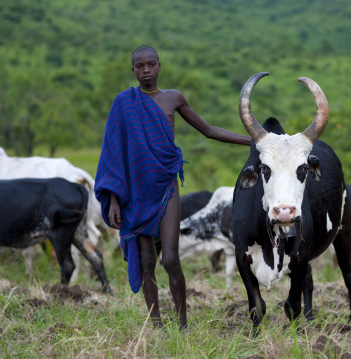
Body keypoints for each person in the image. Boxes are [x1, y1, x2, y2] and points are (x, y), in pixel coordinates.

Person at [94, 45, 250, 330]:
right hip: (135, 192)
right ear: (133, 71)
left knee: (170, 257)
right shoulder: (123, 103)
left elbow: (209, 130)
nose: (145, 71)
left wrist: (252, 141)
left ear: (159, 66)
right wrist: (114, 199)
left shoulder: (173, 99)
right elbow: (113, 155)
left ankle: (182, 324)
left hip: (166, 186)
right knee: (146, 260)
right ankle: (155, 324)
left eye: (150, 65)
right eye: (139, 67)